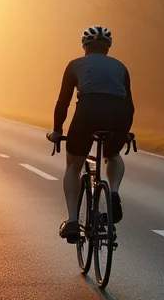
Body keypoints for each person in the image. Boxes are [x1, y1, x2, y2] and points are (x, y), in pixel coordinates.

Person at [45, 25, 134, 242]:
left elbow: (63, 102)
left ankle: (73, 221)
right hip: (118, 115)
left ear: (84, 47)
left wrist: (57, 131)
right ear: (108, 48)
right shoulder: (120, 67)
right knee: (113, 155)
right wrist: (125, 132)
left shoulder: (75, 64)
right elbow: (130, 105)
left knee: (74, 165)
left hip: (87, 113)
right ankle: (113, 192)